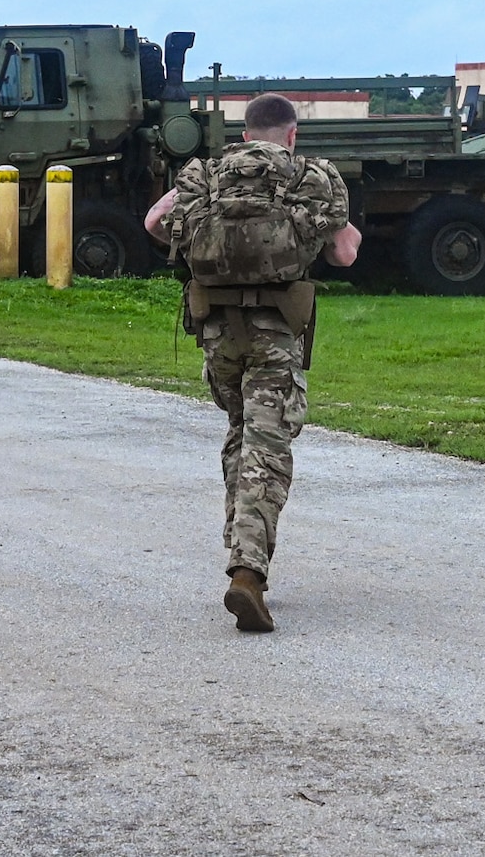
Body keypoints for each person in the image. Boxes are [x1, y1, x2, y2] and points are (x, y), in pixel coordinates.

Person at [144, 93, 361, 633]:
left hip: (217, 336)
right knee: (268, 446)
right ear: (291, 135)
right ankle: (248, 572)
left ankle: (241, 548)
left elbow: (154, 222)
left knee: (242, 434)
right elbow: (344, 255)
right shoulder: (312, 174)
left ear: (245, 135)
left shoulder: (210, 173)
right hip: (275, 334)